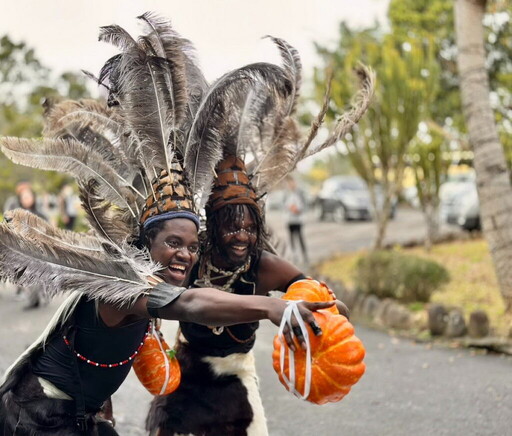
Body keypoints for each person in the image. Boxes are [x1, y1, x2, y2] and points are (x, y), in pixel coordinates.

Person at [0, 15, 334, 435]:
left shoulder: (143, 282)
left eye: (192, 247)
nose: (185, 254)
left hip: (74, 415)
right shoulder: (128, 285)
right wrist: (272, 307)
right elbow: (190, 303)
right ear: (145, 244)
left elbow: (88, 354)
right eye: (173, 243)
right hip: (35, 420)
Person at [146, 33, 373, 435]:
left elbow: (308, 289)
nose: (241, 234)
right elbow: (167, 296)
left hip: (238, 383)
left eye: (250, 225)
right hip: (184, 381)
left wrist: (328, 313)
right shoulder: (190, 261)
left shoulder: (264, 267)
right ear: (212, 227)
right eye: (231, 224)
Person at [3, 181, 47, 309]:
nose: (26, 199)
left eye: (28, 196)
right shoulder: (14, 212)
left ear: (33, 197)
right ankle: (29, 294)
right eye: (24, 197)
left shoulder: (39, 213)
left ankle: (36, 297)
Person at [284, 176, 309, 266]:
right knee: (292, 240)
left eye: (292, 182)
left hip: (298, 220)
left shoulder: (300, 193)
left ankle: (304, 256)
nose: (291, 184)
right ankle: (295, 257)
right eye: (289, 183)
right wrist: (289, 208)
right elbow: (283, 205)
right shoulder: (286, 194)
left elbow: (305, 205)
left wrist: (298, 209)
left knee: (300, 238)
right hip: (289, 220)